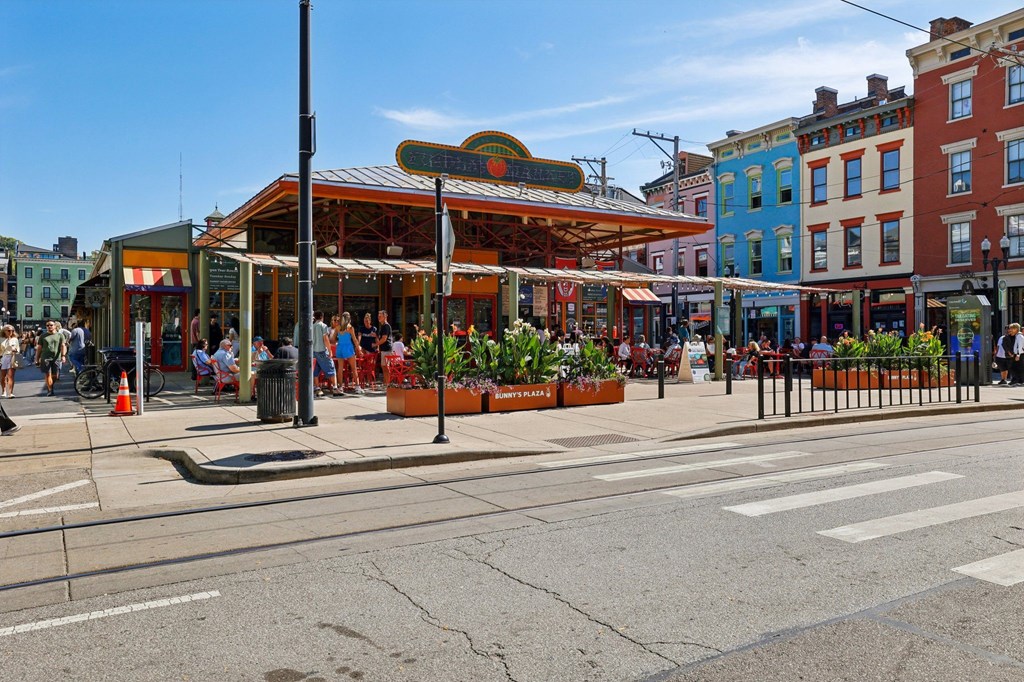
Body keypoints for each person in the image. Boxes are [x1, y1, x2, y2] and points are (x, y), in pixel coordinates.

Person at [333, 313, 364, 394]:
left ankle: (340, 387)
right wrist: (359, 350)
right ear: (349, 318)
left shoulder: (338, 327)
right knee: (354, 368)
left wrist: (338, 342)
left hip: (340, 348)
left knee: (340, 369)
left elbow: (332, 338)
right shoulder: (350, 328)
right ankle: (357, 387)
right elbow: (354, 340)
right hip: (348, 348)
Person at [35, 320, 67, 397]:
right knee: (48, 374)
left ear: (55, 326)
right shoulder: (43, 336)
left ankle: (50, 385)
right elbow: (39, 348)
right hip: (45, 357)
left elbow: (63, 346)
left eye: (51, 325)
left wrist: (63, 356)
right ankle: (50, 389)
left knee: (55, 375)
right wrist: (37, 358)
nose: (49, 326)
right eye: (47, 325)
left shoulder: (60, 335)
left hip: (56, 357)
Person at [1, 325, 21, 398]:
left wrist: (16, 350)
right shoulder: (1, 339)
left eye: (12, 330)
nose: (10, 332)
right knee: (3, 376)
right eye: (8, 330)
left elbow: (18, 349)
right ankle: (3, 391)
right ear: (4, 331)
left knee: (11, 376)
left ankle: (10, 393)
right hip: (2, 358)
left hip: (12, 357)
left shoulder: (15, 339)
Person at [376, 310, 394, 385]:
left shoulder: (386, 326)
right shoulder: (383, 326)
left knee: (386, 366)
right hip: (384, 349)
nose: (379, 317)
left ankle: (388, 383)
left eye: (380, 316)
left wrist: (376, 344)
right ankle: (386, 383)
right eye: (378, 315)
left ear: (385, 316)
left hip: (387, 349)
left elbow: (384, 338)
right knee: (383, 366)